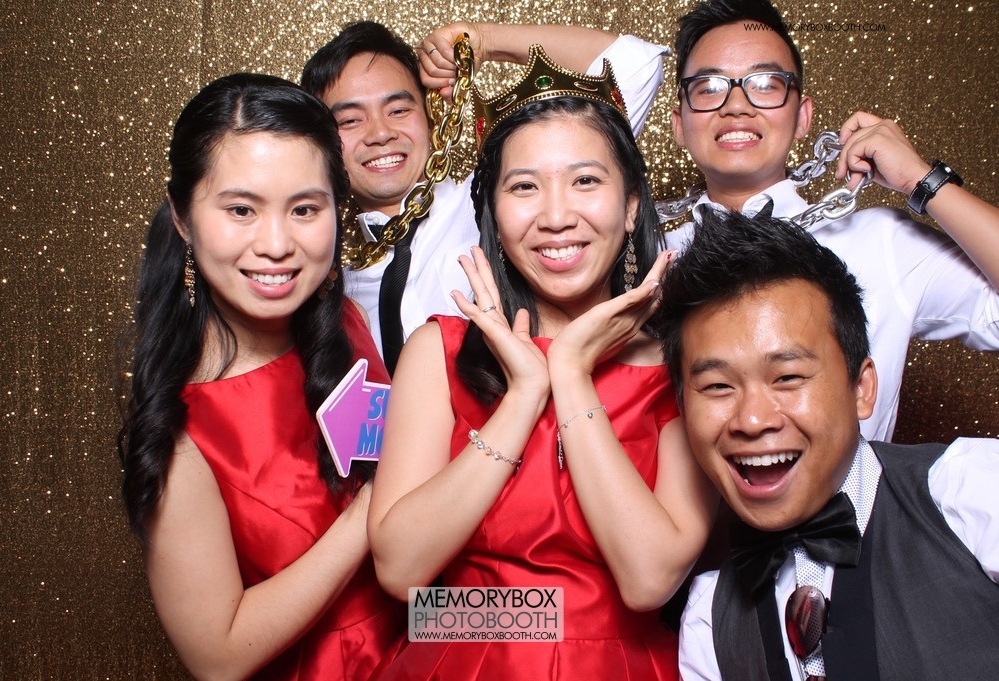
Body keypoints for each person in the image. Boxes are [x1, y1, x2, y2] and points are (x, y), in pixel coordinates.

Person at [366, 47, 719, 680]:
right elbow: (400, 572)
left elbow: (648, 581)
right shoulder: (438, 351)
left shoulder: (686, 363)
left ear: (631, 205)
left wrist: (572, 374)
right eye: (524, 186)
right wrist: (526, 393)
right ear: (494, 215)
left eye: (586, 181)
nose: (556, 216)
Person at [117, 73, 403, 680]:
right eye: (242, 210)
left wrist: (504, 624)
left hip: (424, 646)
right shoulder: (182, 431)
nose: (276, 244)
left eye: (305, 209)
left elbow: (403, 587)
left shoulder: (344, 324)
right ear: (183, 217)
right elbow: (217, 655)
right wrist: (374, 509)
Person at [650, 208, 999, 680]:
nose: (752, 420)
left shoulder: (968, 494)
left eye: (788, 377)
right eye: (717, 386)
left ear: (862, 388)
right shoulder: (709, 617)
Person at [665, 0, 999, 441]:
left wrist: (923, 181)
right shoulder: (647, 257)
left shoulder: (882, 242)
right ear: (679, 123)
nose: (737, 106)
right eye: (709, 87)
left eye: (765, 84)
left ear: (803, 117)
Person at [301, 21, 667, 372]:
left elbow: (637, 65)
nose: (380, 134)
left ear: (431, 115)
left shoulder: (501, 202)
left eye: (398, 110)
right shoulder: (331, 291)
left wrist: (485, 40)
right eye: (350, 120)